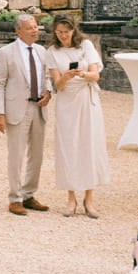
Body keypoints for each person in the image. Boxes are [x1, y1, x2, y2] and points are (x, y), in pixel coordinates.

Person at [0, 11, 53, 215]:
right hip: (17, 108)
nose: (35, 30)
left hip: (39, 108)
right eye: (30, 28)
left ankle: (29, 194)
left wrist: (49, 91)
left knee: (37, 155)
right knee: (16, 155)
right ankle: (14, 197)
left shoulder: (42, 51)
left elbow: (47, 76)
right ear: (18, 31)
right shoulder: (6, 53)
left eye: (36, 27)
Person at [45, 16, 109, 219]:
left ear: (74, 30)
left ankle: (89, 198)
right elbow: (58, 85)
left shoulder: (86, 45)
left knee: (89, 144)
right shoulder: (52, 52)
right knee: (69, 146)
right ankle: (71, 197)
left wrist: (81, 74)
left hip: (86, 97)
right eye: (59, 31)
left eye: (66, 31)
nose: (63, 35)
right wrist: (66, 75)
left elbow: (96, 75)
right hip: (67, 101)